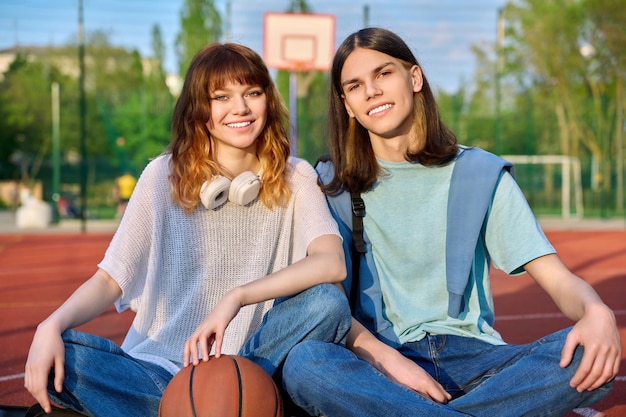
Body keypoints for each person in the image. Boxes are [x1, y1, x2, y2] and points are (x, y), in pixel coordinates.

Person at [282, 27, 621, 417]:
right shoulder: (330, 183)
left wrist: (598, 312)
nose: (372, 91)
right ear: (347, 105)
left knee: (588, 355)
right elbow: (333, 301)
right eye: (355, 86)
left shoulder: (479, 173)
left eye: (383, 73)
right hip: (377, 363)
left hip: (478, 363)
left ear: (414, 78)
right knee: (306, 362)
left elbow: (557, 279)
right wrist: (388, 362)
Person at [24, 42, 351, 417]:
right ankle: (194, 408)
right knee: (60, 355)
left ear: (268, 100)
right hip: (157, 374)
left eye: (252, 93)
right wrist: (50, 325)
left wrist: (237, 297)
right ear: (199, 111)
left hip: (251, 365)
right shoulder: (161, 176)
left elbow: (331, 263)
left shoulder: (297, 176)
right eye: (221, 96)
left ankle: (207, 406)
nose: (240, 107)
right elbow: (110, 279)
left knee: (327, 302)